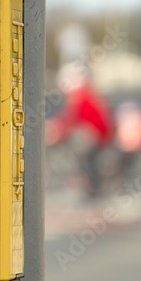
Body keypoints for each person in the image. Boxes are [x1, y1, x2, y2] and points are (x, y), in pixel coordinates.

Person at [45, 62, 114, 197]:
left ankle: (83, 180)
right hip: (99, 135)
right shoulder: (86, 94)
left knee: (77, 142)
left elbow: (69, 120)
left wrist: (55, 129)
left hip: (96, 137)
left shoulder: (80, 96)